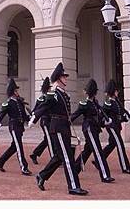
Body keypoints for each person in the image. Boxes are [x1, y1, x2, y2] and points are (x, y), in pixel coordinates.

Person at [32, 63, 88, 196]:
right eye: (64, 77)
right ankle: (73, 186)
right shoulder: (54, 94)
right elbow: (43, 107)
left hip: (64, 127)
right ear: (58, 78)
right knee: (68, 158)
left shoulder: (63, 94)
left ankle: (42, 176)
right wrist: (33, 118)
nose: (66, 79)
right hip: (58, 128)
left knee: (59, 157)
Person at [71, 79, 114, 183]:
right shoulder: (84, 103)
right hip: (89, 128)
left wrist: (105, 121)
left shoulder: (95, 103)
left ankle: (74, 170)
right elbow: (75, 115)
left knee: (87, 151)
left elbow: (99, 115)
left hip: (94, 128)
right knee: (98, 151)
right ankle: (104, 175)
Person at [0, 78, 32, 175]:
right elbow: (1, 115)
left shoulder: (19, 102)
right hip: (14, 126)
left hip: (19, 126)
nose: (17, 92)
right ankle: (24, 167)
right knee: (19, 147)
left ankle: (1, 161)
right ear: (12, 92)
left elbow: (23, 115)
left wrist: (30, 118)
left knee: (14, 147)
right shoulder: (8, 103)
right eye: (15, 90)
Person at [101, 80, 130, 174]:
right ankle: (125, 167)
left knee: (112, 144)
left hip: (117, 125)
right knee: (120, 145)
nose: (117, 92)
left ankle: (99, 160)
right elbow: (103, 114)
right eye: (116, 91)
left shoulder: (116, 101)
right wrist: (106, 121)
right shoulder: (108, 102)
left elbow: (121, 112)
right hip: (112, 126)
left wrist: (126, 117)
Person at [30, 77, 53, 165]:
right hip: (45, 121)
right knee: (50, 139)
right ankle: (53, 158)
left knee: (47, 139)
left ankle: (35, 154)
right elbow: (35, 110)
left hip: (50, 121)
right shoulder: (41, 99)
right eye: (49, 88)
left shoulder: (50, 97)